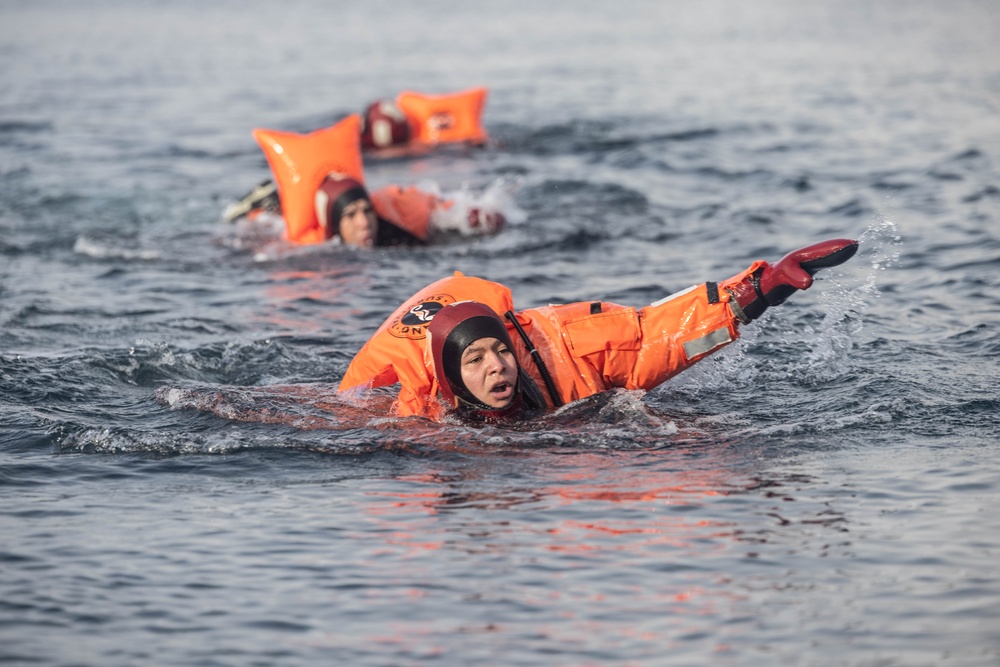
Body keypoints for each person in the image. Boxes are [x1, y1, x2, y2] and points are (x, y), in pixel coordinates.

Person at [337, 238, 860, 423]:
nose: (496, 365)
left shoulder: (558, 351)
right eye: (474, 360)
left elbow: (653, 338)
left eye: (499, 351)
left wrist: (758, 292)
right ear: (451, 379)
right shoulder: (418, 423)